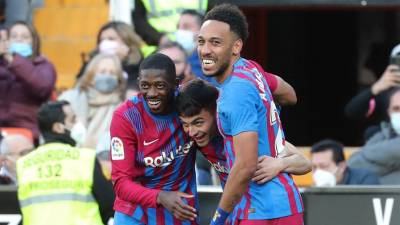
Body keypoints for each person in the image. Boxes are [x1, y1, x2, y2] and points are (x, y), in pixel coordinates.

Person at [110, 53, 298, 224]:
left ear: (175, 84)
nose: (151, 94)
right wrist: (160, 196)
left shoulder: (194, 107)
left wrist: (279, 163)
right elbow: (120, 183)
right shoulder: (126, 117)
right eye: (145, 86)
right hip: (134, 215)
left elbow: (237, 92)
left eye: (160, 85)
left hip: (182, 213)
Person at [197, 4, 303, 224]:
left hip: (260, 208)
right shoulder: (252, 69)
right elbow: (290, 94)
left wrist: (218, 218)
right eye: (201, 41)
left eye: (215, 42)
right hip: (283, 201)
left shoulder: (235, 92)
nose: (205, 50)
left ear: (236, 47)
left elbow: (246, 165)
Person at [176, 79, 312, 188]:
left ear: (216, 112)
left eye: (198, 123)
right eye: (186, 124)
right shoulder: (196, 139)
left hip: (270, 209)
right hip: (237, 210)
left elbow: (305, 163)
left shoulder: (245, 132)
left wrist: (279, 164)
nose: (192, 132)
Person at [16, 101, 114, 225]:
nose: (78, 125)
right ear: (58, 127)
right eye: (72, 120)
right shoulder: (85, 159)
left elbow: (22, 210)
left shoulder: (24, 164)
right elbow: (110, 203)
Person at [0, 21, 57, 142]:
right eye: (14, 36)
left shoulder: (43, 65)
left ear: (34, 42)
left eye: (25, 37)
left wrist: (13, 60)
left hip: (29, 131)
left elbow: (42, 87)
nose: (19, 40)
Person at [59, 53, 126, 148]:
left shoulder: (123, 108)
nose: (107, 76)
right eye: (102, 72)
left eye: (112, 73)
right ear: (90, 75)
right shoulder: (68, 99)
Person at [345, 44, 400, 142]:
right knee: (371, 132)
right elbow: (351, 112)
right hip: (387, 146)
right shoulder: (384, 92)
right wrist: (375, 89)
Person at [348, 87, 400, 184]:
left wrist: (369, 154)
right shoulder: (379, 135)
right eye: (396, 109)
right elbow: (353, 165)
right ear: (389, 112)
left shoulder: (375, 144)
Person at [77, 21, 144, 91]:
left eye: (111, 39)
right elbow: (79, 86)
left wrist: (120, 61)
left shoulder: (139, 65)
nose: (105, 43)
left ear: (126, 41)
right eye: (102, 40)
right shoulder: (92, 61)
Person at [132, 0, 209, 46]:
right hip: (159, 48)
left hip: (196, 45)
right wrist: (160, 39)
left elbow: (216, 14)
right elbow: (139, 20)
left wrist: (203, 35)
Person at [311, 139, 380, 186]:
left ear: (342, 166)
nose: (318, 172)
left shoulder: (364, 180)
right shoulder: (314, 189)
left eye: (323, 166)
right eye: (314, 168)